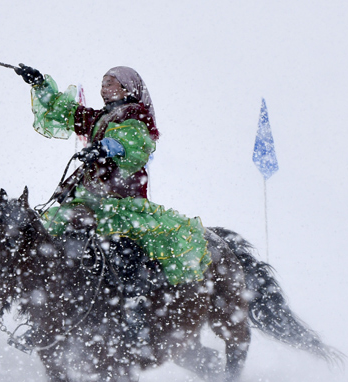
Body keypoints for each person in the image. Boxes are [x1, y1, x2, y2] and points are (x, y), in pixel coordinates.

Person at [13, 65, 210, 289]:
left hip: (119, 201)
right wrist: (39, 84)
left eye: (109, 83)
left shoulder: (135, 114)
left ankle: (135, 302)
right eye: (102, 84)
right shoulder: (99, 117)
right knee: (52, 244)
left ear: (127, 88)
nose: (103, 89)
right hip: (89, 198)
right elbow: (65, 111)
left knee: (123, 253)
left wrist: (106, 147)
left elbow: (134, 142)